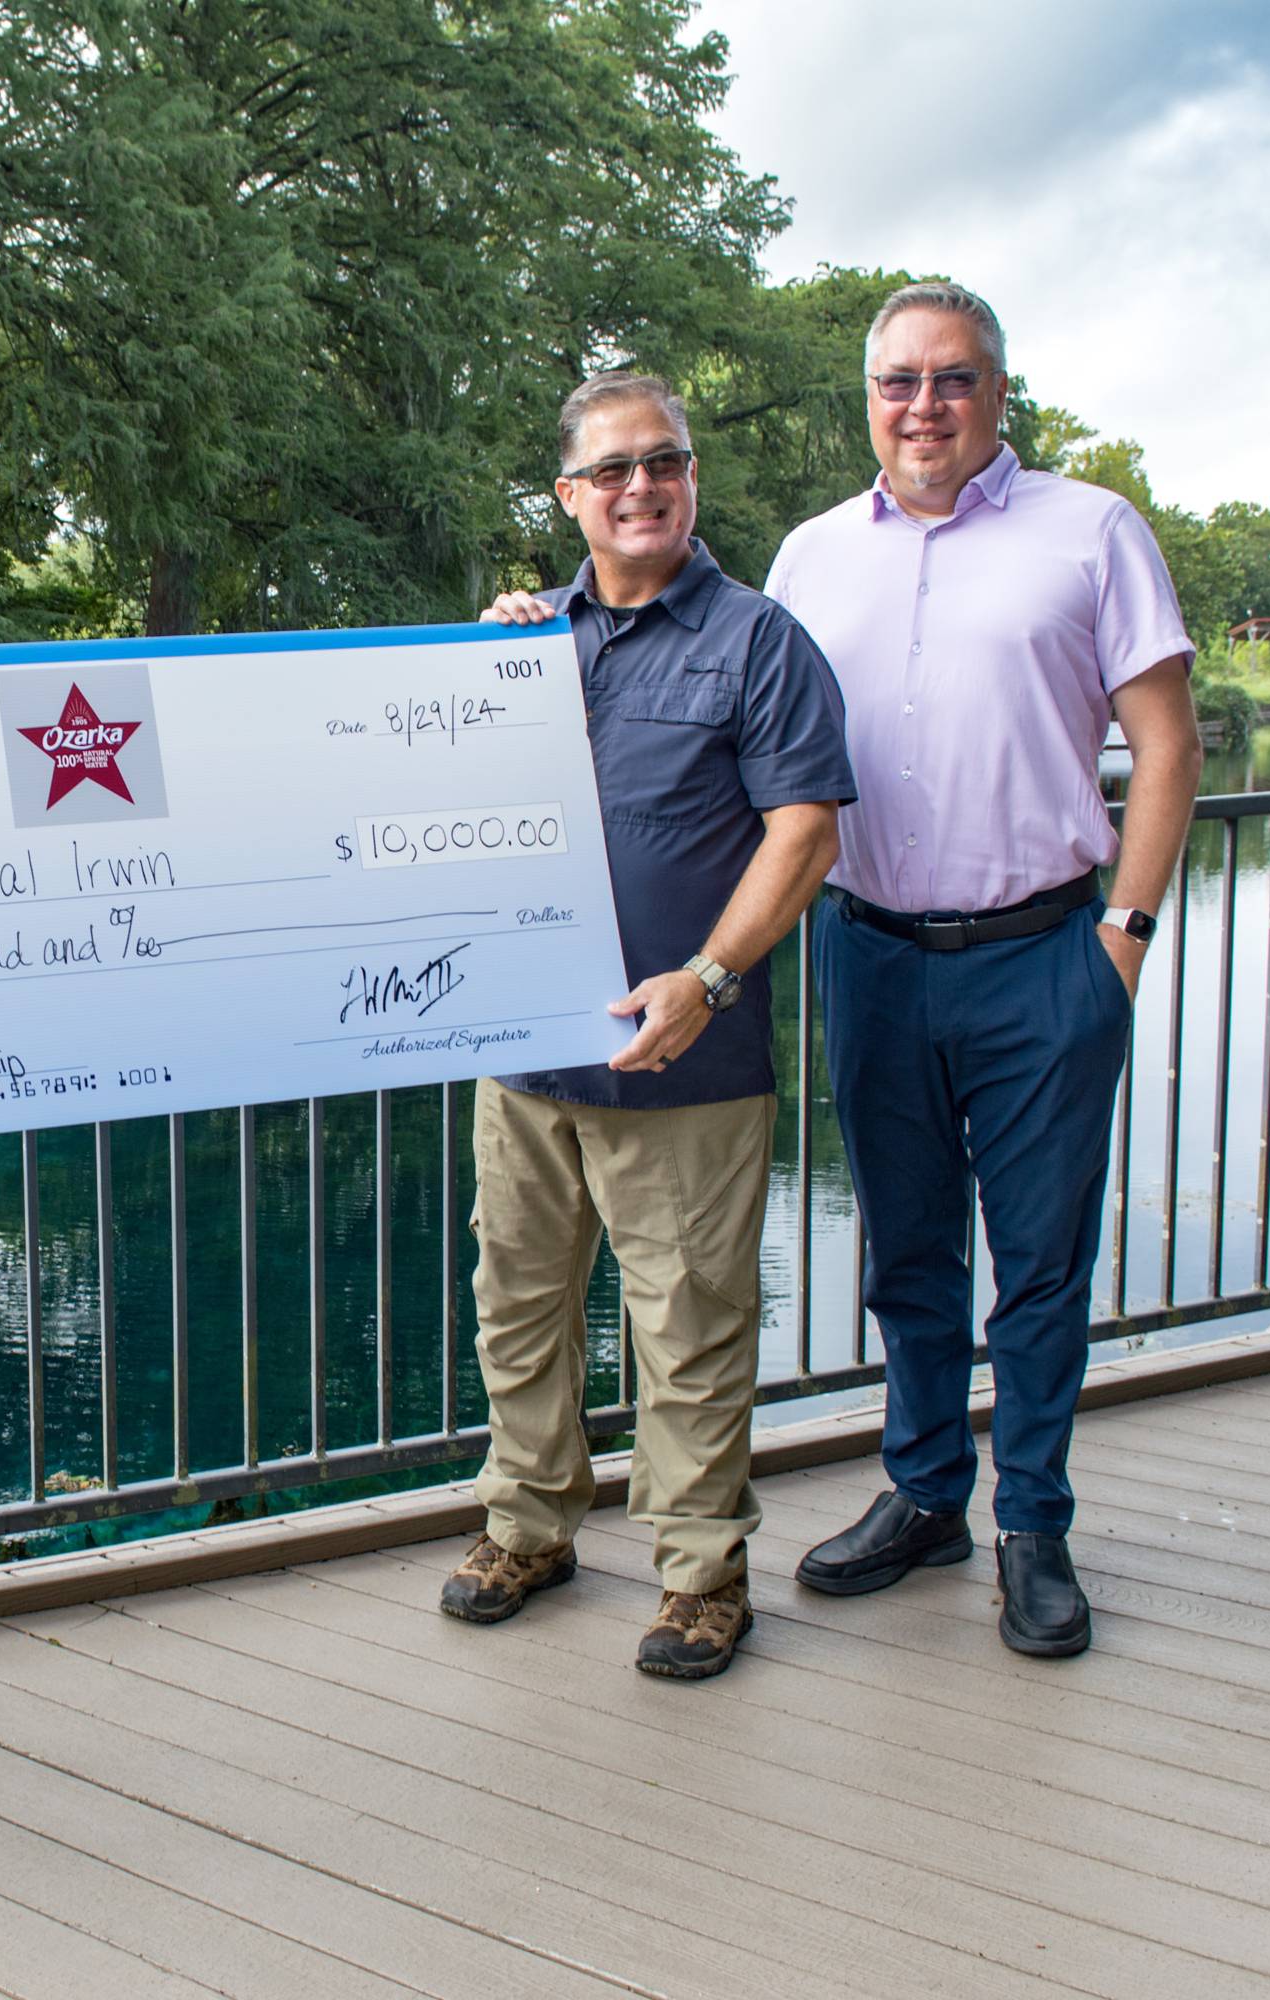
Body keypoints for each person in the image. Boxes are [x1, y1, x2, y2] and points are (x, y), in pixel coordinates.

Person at [764, 281, 1202, 1658]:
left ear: (998, 393)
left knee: (1040, 1264)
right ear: (869, 398)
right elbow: (720, 710)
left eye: (953, 379)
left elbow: (1171, 748)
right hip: (872, 952)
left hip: (1043, 957)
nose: (924, 405)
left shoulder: (1092, 531)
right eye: (899, 381)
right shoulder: (811, 554)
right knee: (906, 1250)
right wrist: (543, 623)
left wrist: (1120, 943)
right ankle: (924, 1494)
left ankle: (1037, 1527)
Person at [460, 370, 853, 1678]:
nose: (643, 486)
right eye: (614, 469)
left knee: (686, 1330)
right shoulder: (518, 646)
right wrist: (476, 659)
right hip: (522, 1058)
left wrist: (712, 976)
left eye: (665, 462)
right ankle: (528, 1526)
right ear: (569, 495)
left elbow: (803, 832)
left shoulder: (758, 642)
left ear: (692, 480)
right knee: (517, 1308)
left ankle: (700, 1578)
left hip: (687, 1060)